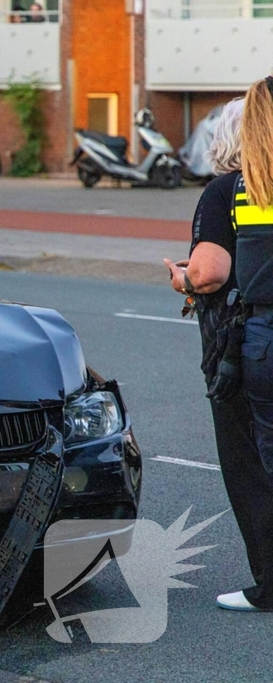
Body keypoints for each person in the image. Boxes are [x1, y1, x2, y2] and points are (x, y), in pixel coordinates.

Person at [202, 77, 273, 611]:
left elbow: (216, 272)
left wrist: (183, 279)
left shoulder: (243, 189)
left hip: (256, 338)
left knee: (257, 465)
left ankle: (269, 586)